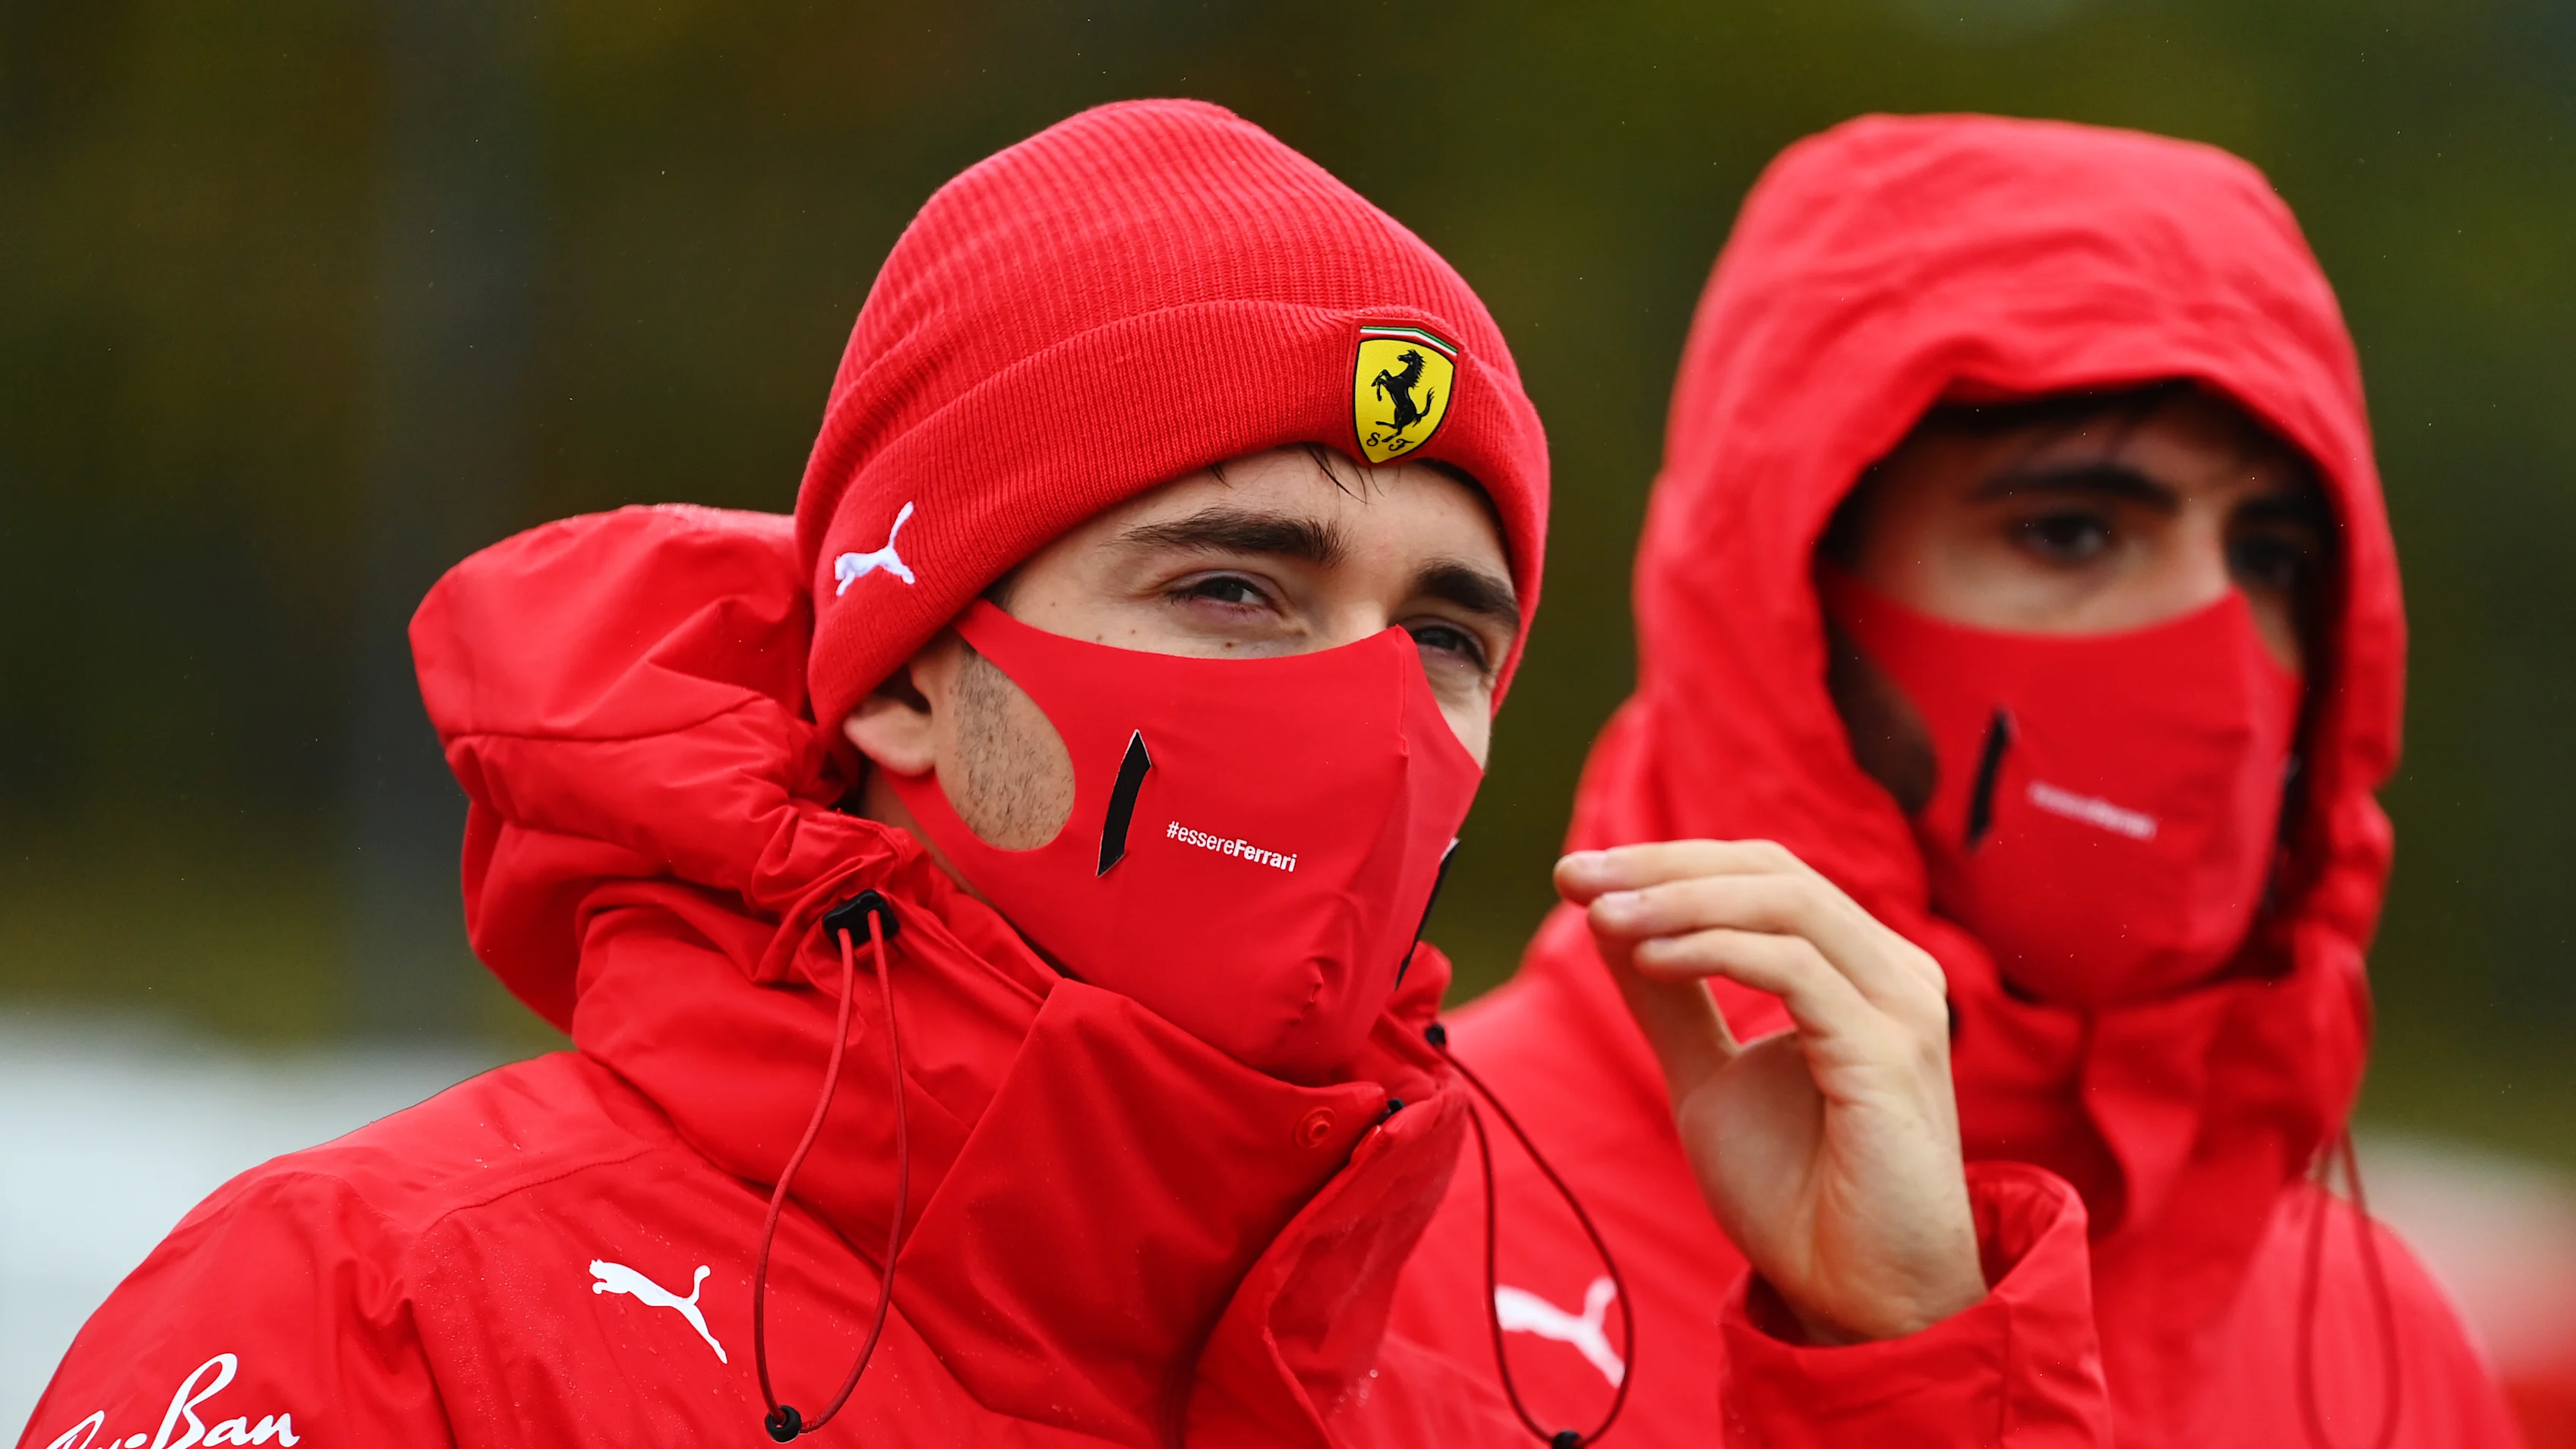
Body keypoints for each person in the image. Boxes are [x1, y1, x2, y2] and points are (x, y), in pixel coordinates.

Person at [21, 102, 2105, 1449]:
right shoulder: (383, 1317)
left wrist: (1907, 1358)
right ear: (909, 667)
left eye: (1447, 630)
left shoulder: (1477, 1392)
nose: (1370, 708)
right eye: (1234, 583)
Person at [1388, 114, 2526, 1449]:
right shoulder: (1387, 1223)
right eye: (2070, 531)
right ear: (1794, 593)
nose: (2217, 648)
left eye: (2271, 556)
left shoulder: (2376, 1341)